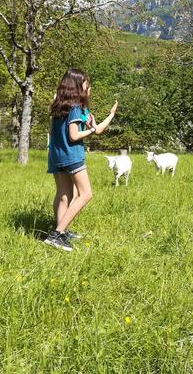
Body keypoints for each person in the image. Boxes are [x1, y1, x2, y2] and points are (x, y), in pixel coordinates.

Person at [44, 68, 117, 252]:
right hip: (72, 156)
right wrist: (91, 130)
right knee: (85, 194)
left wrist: (110, 115)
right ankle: (58, 234)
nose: (88, 86)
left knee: (64, 195)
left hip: (56, 155)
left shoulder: (58, 106)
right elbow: (74, 136)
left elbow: (53, 132)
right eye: (86, 82)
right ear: (78, 85)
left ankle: (61, 230)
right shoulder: (76, 107)